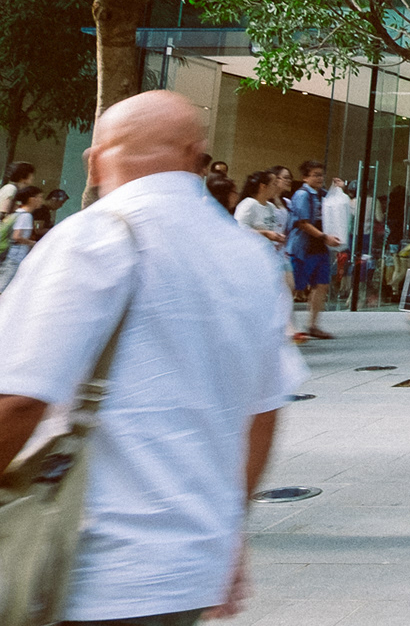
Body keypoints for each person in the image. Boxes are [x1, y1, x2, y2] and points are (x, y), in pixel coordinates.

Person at [0, 90, 304, 624]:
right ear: (195, 157)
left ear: (96, 159)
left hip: (83, 570)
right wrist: (228, 531)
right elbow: (262, 413)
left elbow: (19, 400)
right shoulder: (249, 255)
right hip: (188, 573)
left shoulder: (91, 238)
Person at [286, 159, 341, 340]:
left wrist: (338, 189)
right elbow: (302, 223)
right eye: (315, 175)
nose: (320, 178)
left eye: (321, 175)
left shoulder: (322, 194)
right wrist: (324, 237)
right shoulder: (302, 195)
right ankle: (285, 326)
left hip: (319, 248)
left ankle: (313, 325)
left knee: (321, 285)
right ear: (305, 177)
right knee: (294, 288)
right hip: (303, 248)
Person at [0, 184, 45, 294]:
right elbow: (17, 237)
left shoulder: (17, 213)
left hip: (8, 255)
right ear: (31, 199)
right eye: (40, 197)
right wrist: (33, 243)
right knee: (3, 288)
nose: (41, 200)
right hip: (14, 258)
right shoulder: (26, 216)